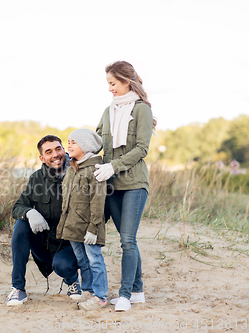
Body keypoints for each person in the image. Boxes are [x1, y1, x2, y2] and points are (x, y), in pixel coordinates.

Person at [94, 60, 155, 311]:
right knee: (126, 238)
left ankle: (126, 295)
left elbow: (142, 149)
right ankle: (138, 289)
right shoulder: (109, 111)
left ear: (126, 81)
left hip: (134, 183)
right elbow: (96, 141)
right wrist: (72, 152)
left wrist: (114, 165)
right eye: (108, 83)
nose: (110, 88)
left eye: (113, 83)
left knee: (127, 240)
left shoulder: (141, 109)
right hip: (111, 185)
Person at [6, 135, 93, 306]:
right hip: (44, 244)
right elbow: (17, 207)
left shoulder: (79, 173)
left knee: (63, 266)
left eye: (58, 149)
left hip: (69, 246)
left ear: (64, 150)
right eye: (49, 152)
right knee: (21, 225)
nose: (55, 154)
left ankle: (73, 281)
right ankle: (18, 289)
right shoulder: (37, 178)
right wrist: (30, 213)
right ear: (42, 158)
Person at [57, 129, 108, 311]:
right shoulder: (72, 169)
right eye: (68, 142)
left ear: (85, 147)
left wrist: (93, 228)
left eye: (73, 142)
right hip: (73, 227)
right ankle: (89, 291)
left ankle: (100, 296)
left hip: (88, 228)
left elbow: (97, 200)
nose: (68, 146)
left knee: (94, 259)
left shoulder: (94, 170)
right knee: (82, 260)